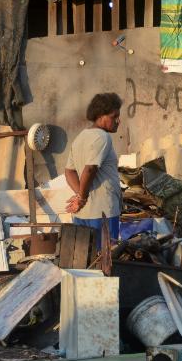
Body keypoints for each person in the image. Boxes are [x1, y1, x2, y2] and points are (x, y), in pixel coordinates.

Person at [65, 93, 123, 248]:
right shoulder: (102, 137)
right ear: (100, 116)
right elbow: (90, 169)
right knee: (105, 259)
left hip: (83, 214)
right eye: (114, 116)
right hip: (103, 213)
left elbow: (69, 172)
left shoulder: (81, 137)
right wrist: (82, 197)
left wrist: (80, 196)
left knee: (85, 259)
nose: (118, 121)